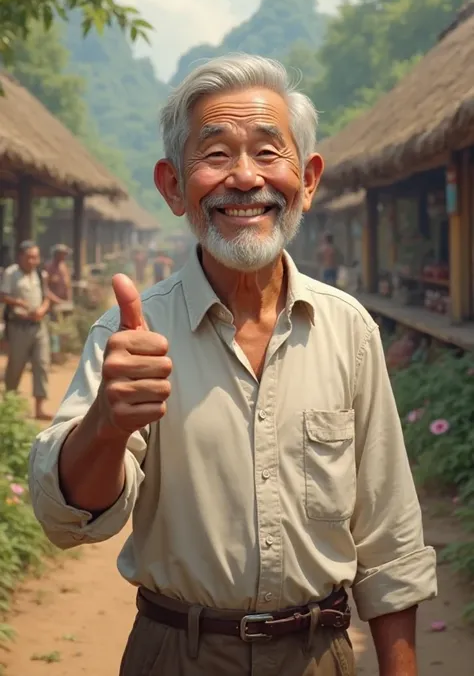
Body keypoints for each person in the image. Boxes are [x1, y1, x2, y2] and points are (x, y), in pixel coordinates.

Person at [29, 55, 436, 676]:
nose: (245, 178)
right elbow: (69, 519)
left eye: (270, 153)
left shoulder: (348, 329)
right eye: (215, 155)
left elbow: (389, 536)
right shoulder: (131, 334)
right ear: (171, 186)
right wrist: (107, 424)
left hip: (320, 656)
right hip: (177, 655)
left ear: (308, 179)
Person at [1, 240, 51, 420]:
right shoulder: (11, 273)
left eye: (36, 257)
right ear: (20, 257)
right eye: (29, 257)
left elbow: (47, 297)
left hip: (39, 326)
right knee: (16, 365)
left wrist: (43, 309)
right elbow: (3, 296)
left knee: (42, 364)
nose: (33, 261)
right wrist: (19, 302)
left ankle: (40, 408)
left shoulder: (40, 273)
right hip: (18, 327)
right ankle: (9, 405)